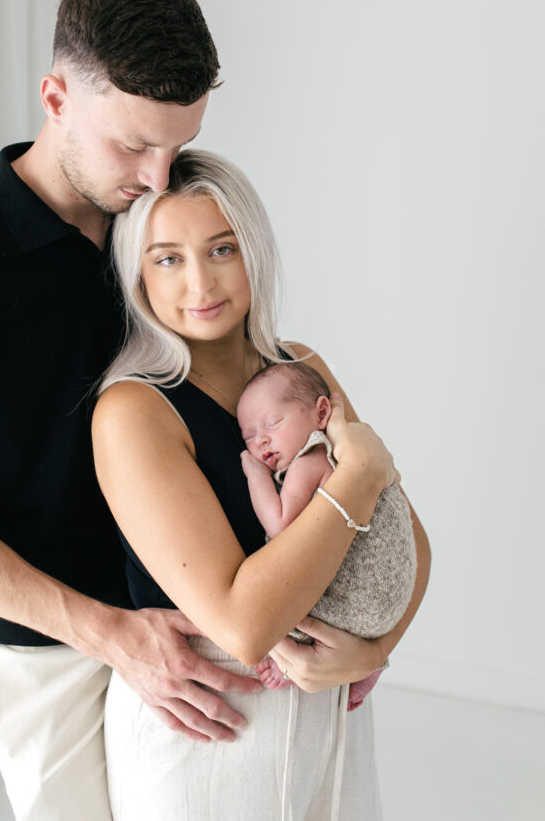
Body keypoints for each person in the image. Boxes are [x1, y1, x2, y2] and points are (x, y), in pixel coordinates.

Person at [0, 0, 266, 821]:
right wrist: (111, 634)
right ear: (55, 99)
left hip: (207, 608)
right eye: (132, 145)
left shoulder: (164, 228)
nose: (159, 177)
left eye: (176, 142)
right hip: (50, 652)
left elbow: (251, 383)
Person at [92, 148, 431, 821]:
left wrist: (372, 653)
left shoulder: (298, 365)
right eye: (167, 258)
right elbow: (244, 628)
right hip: (212, 721)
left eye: (222, 248)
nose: (199, 282)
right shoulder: (133, 411)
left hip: (330, 696)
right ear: (137, 276)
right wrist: (358, 473)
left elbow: (408, 543)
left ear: (254, 251)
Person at [237, 360, 417, 708]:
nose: (260, 440)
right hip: (388, 604)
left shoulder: (312, 458)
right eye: (248, 435)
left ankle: (291, 655)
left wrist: (254, 473)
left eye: (273, 423)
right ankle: (370, 664)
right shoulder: (343, 452)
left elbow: (280, 525)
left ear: (321, 413)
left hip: (357, 601)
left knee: (276, 596)